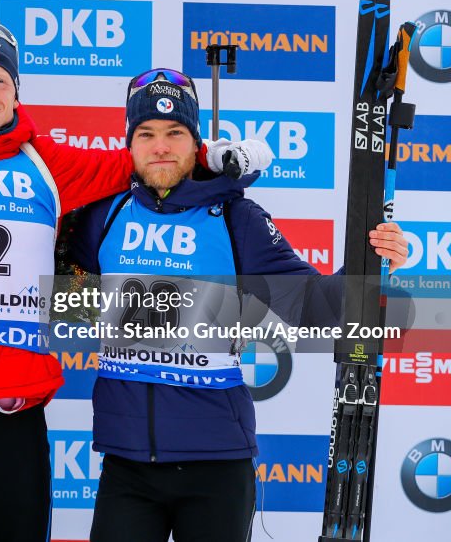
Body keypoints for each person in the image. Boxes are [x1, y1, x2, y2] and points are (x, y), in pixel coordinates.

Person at [0, 23, 275, 541]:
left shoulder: (48, 162)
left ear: (17, 91)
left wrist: (222, 158)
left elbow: (143, 161)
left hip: (13, 408)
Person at [68, 68, 409, 542]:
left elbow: (313, 307)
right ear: (129, 141)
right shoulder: (102, 216)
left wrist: (373, 262)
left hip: (216, 464)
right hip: (126, 465)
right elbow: (53, 286)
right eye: (146, 134)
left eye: (175, 133)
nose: (160, 146)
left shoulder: (235, 218)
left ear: (196, 143)